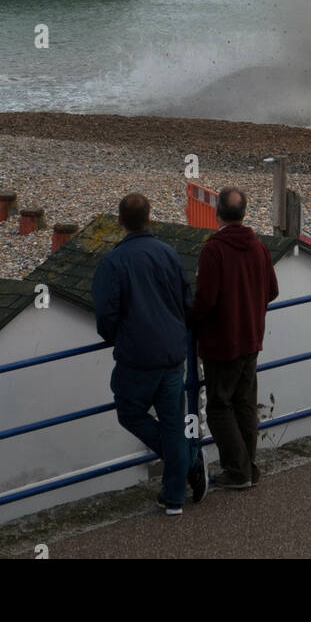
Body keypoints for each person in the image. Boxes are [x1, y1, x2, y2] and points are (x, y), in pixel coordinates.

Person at [92, 192, 207, 514]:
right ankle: (174, 495)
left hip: (138, 356)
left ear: (120, 222)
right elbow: (187, 302)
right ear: (149, 218)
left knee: (129, 412)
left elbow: (105, 313)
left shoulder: (114, 261)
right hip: (172, 352)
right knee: (172, 423)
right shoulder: (168, 253)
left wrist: (117, 337)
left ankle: (186, 462)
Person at [191, 187, 278, 491]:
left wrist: (191, 319)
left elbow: (205, 301)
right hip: (251, 338)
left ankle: (238, 470)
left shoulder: (214, 249)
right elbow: (272, 290)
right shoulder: (259, 247)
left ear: (217, 212)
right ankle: (248, 467)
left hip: (222, 342)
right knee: (244, 403)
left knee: (218, 406)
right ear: (244, 212)